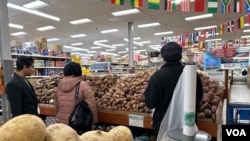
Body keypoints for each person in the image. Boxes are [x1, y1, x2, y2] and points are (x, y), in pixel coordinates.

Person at [144, 42, 203, 140]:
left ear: (163, 58)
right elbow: (199, 97)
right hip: (187, 125)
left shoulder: (157, 77)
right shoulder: (192, 74)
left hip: (163, 126)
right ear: (180, 56)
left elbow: (150, 103)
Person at [54, 62, 98, 128]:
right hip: (76, 123)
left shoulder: (58, 85)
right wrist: (95, 121)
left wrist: (59, 117)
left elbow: (56, 105)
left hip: (60, 123)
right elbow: (91, 105)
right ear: (79, 72)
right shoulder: (83, 85)